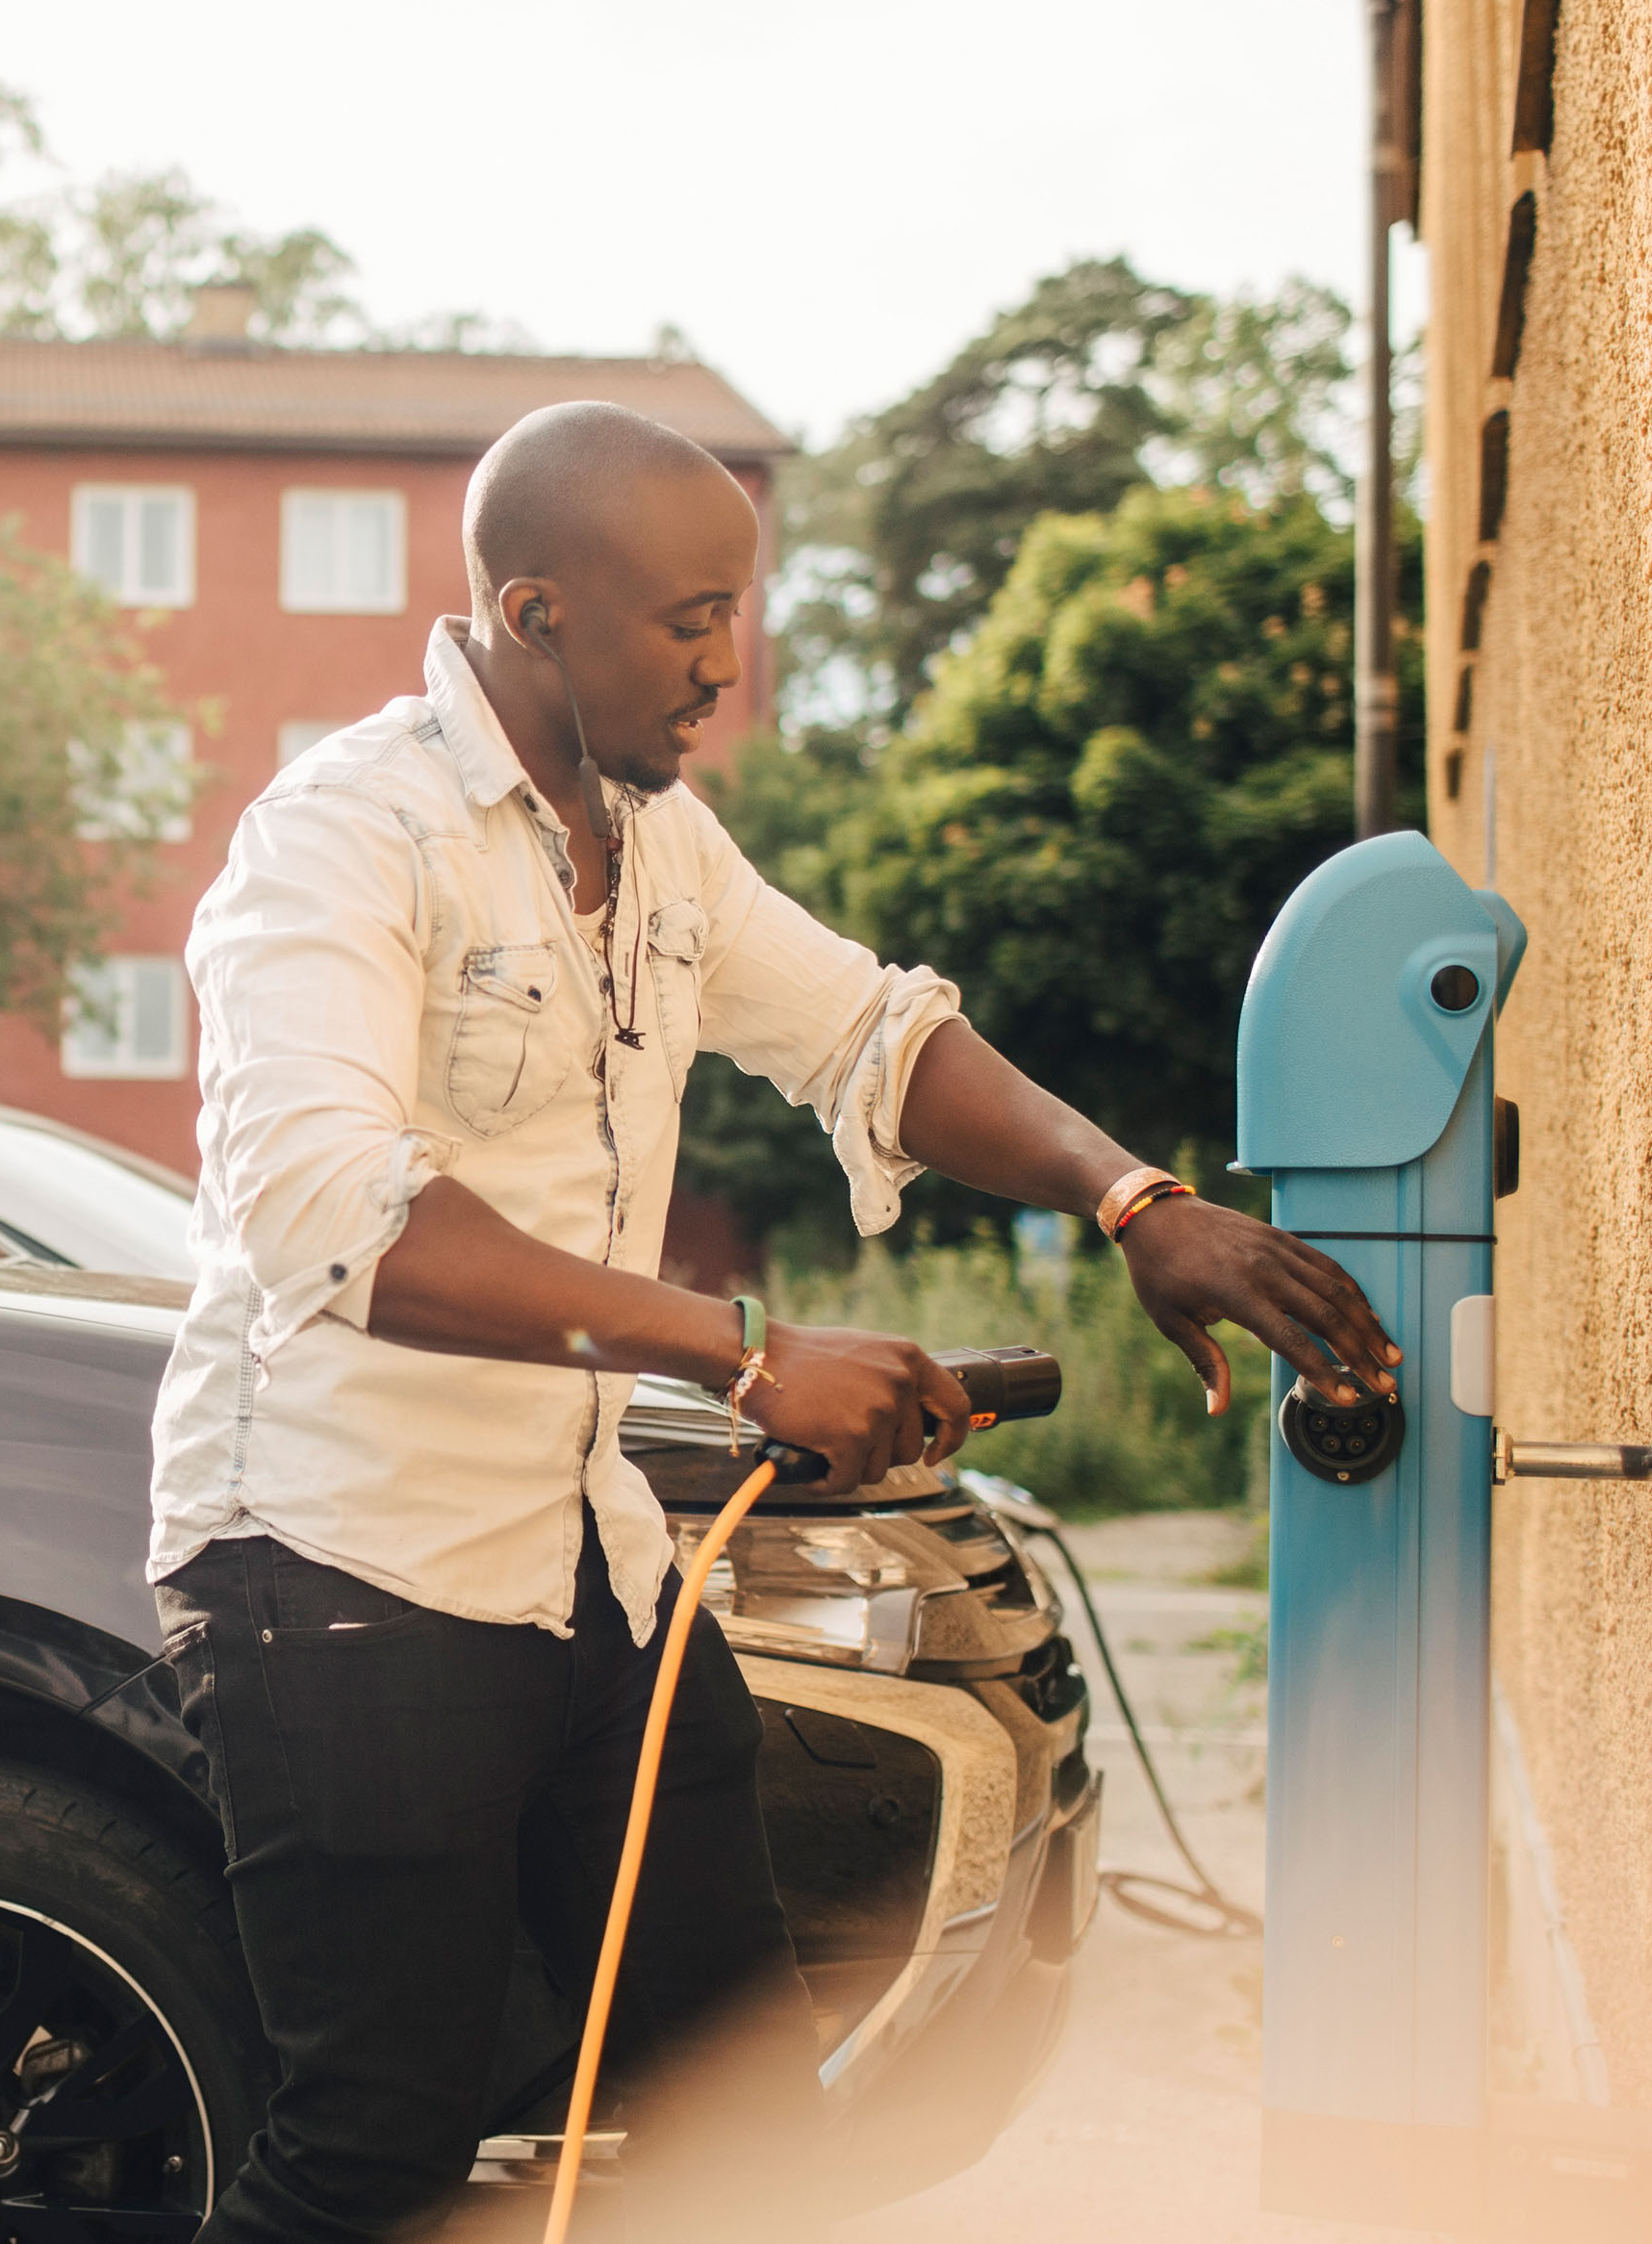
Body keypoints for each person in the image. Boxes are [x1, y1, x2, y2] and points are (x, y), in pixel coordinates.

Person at [148, 402, 1394, 2240]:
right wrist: (742, 1351)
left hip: (593, 1577)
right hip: (339, 1579)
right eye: (691, 620)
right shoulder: (342, 841)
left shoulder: (665, 851)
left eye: (740, 614)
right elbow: (344, 1223)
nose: (730, 665)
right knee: (375, 2149)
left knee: (746, 2111)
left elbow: (874, 1032)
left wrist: (1133, 1197)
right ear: (536, 610)